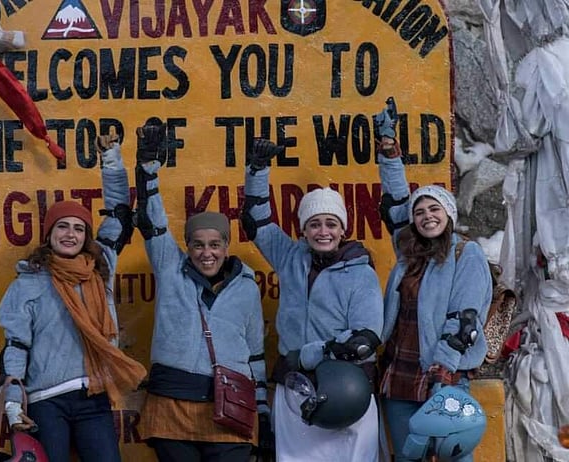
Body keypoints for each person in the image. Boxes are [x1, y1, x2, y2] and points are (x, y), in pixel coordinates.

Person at [0, 134, 147, 462]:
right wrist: (12, 403)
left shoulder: (99, 266)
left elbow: (119, 214)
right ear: (49, 234)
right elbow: (16, 346)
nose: (70, 234)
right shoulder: (29, 282)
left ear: (86, 236)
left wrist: (111, 160)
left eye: (79, 228)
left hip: (93, 396)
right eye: (62, 227)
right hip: (46, 401)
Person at [132, 121, 271, 462]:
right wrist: (147, 166)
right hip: (172, 407)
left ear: (226, 246)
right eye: (198, 244)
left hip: (230, 408)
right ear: (187, 247)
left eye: (214, 244)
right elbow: (152, 222)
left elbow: (254, 353)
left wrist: (262, 410)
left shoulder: (246, 287)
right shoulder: (170, 268)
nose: (206, 253)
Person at [241, 139, 385, 462]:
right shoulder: (290, 257)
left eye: (331, 224)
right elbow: (255, 221)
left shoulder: (361, 272)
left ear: (342, 229)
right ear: (303, 230)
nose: (323, 232)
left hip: (345, 390)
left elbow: (364, 339)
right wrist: (257, 171)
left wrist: (308, 354)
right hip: (296, 389)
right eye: (314, 224)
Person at [374, 99, 492, 462]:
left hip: (443, 373)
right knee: (407, 456)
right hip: (399, 373)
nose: (427, 216)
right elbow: (396, 198)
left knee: (453, 456)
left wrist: (442, 371)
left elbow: (465, 320)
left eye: (434, 209)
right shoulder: (408, 252)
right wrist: (388, 147)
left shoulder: (465, 254)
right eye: (420, 211)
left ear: (449, 214)